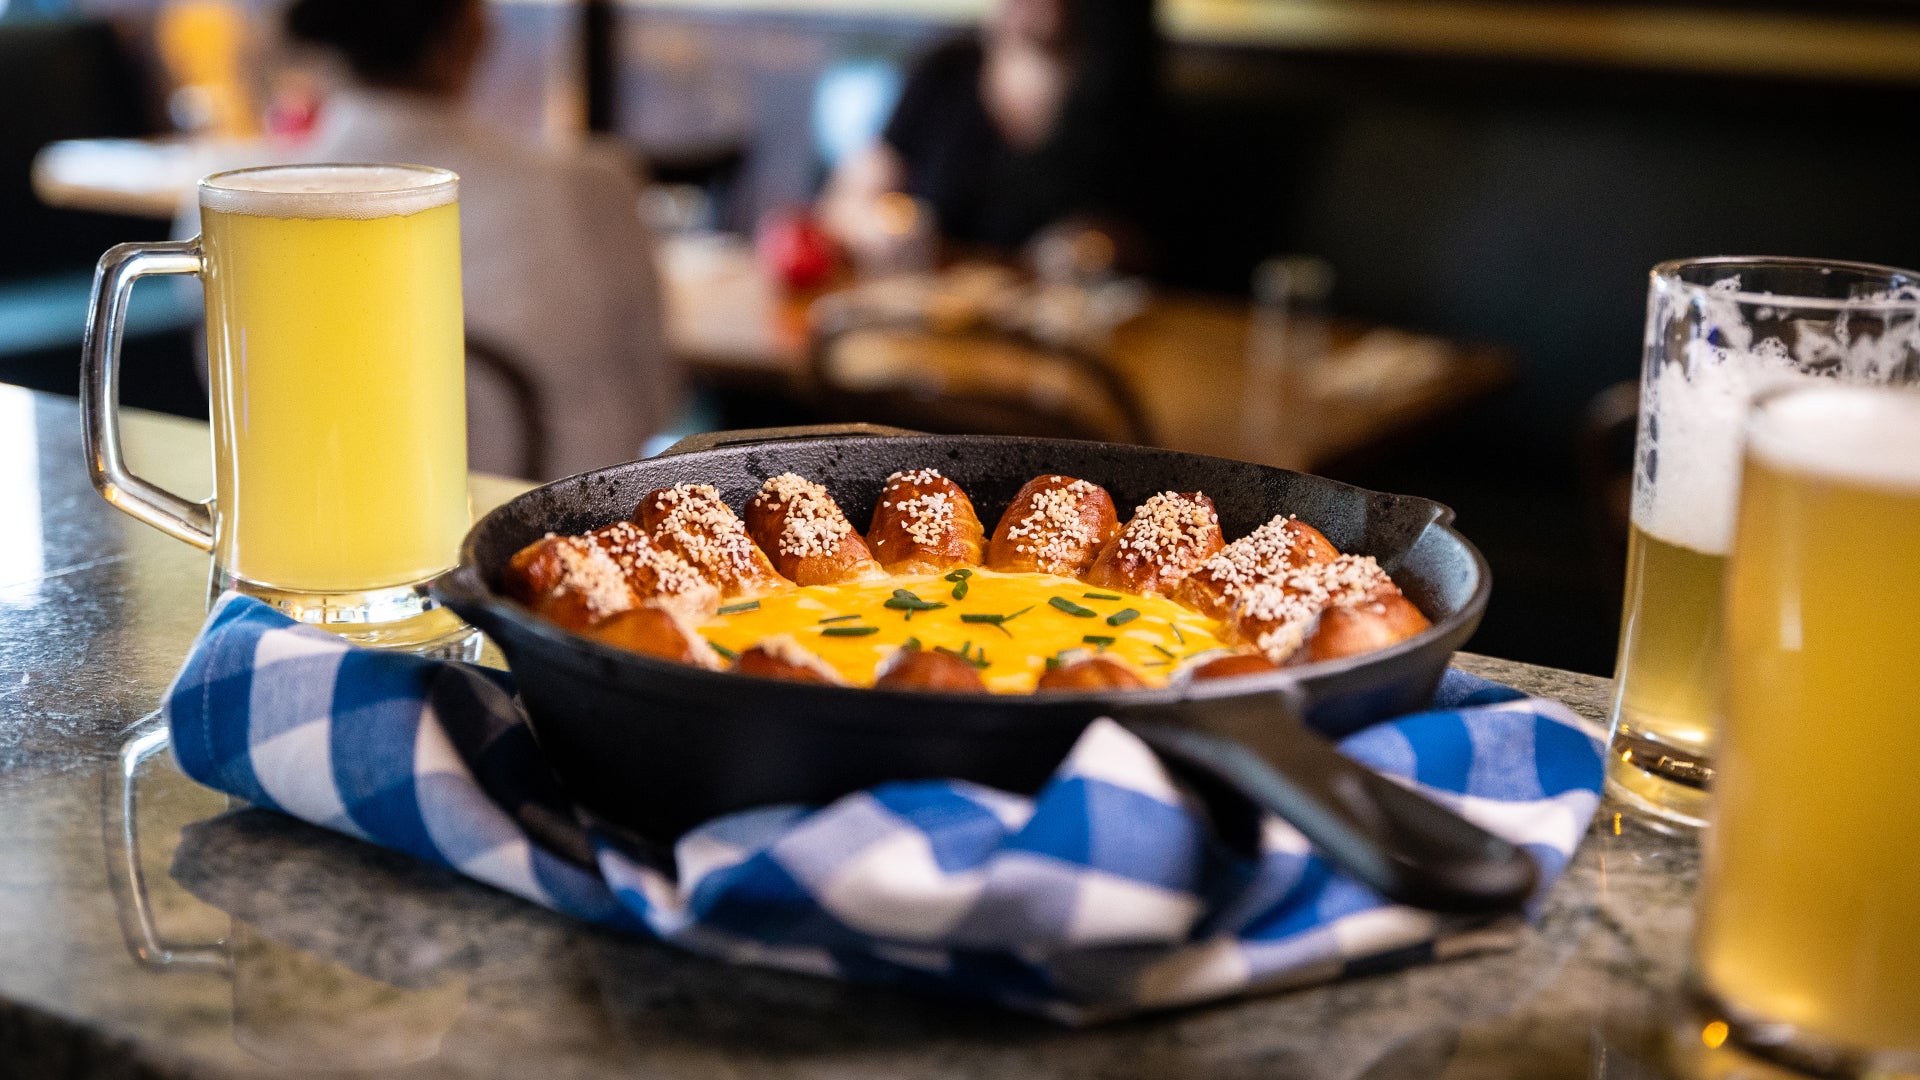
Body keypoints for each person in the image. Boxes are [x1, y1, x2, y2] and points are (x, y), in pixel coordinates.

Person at [258, 0, 676, 479]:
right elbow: (655, 400)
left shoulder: (233, 204)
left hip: (328, 530)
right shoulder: (587, 187)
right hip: (553, 533)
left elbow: (259, 418)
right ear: (465, 33)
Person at [821, 0, 1159, 264]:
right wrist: (876, 226)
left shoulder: (1123, 101)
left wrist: (1093, 249)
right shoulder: (945, 71)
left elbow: (1153, 248)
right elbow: (844, 201)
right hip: (929, 320)